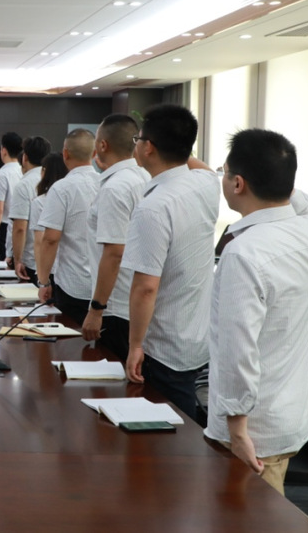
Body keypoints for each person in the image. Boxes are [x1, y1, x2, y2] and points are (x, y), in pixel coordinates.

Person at [204, 129, 308, 495]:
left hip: (252, 433)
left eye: (224, 171)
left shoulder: (244, 253)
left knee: (248, 517)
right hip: (287, 415)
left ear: (237, 183)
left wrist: (237, 431)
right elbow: (300, 201)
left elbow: (238, 350)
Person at [122, 104, 220, 420]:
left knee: (168, 426)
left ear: (148, 147)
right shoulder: (206, 183)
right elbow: (200, 166)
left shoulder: (153, 207)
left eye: (138, 139)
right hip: (197, 332)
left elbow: (146, 287)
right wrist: (180, 147)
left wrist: (135, 345)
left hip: (164, 342)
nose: (135, 145)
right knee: (183, 420)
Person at [81, 115, 151, 363]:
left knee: (113, 376)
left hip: (116, 305)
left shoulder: (115, 188)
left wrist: (96, 309)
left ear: (102, 145)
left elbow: (114, 252)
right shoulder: (145, 177)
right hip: (136, 301)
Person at [35, 129, 98, 323]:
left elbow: (50, 239)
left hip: (73, 284)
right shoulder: (107, 184)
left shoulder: (62, 188)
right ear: (95, 153)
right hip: (105, 285)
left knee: (69, 337)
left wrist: (43, 281)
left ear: (65, 153)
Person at [10, 137, 52, 282]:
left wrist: (17, 260)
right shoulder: (55, 180)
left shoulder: (24, 185)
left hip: (32, 259)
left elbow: (20, 228)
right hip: (52, 259)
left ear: (25, 157)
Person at [0, 132, 23, 259]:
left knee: (1, 266)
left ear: (4, 151)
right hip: (22, 226)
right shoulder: (23, 171)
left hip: (3, 228)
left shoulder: (0, 175)